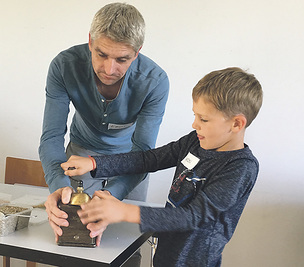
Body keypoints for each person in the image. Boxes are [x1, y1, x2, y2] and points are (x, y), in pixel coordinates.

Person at [61, 67, 263, 267]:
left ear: (237, 124)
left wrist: (124, 211)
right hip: (165, 254)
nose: (195, 124)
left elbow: (194, 217)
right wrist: (95, 163)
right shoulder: (195, 141)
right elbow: (149, 159)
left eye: (204, 119)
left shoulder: (240, 167)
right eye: (195, 115)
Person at [39, 1, 169, 250]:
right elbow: (52, 136)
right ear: (90, 40)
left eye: (122, 59)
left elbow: (143, 151)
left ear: (138, 51)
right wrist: (59, 186)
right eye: (101, 54)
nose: (110, 69)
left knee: (126, 250)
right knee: (73, 243)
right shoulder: (64, 66)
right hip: (79, 159)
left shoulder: (156, 81)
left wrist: (112, 196)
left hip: (132, 164)